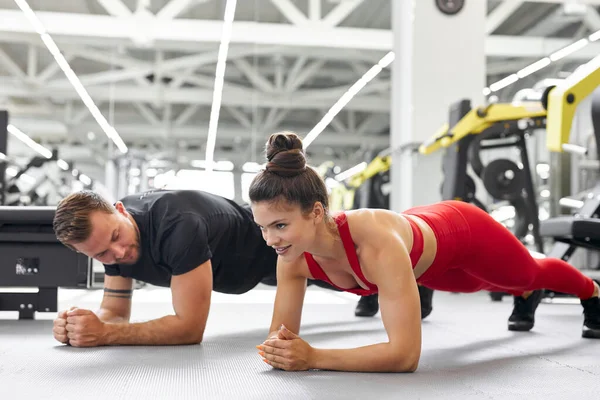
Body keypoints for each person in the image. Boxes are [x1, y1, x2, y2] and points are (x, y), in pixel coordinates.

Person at [249, 131, 600, 373]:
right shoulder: (292, 258)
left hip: (462, 230)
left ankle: (591, 292)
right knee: (477, 285)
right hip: (426, 263)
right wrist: (282, 350)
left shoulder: (375, 243)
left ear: (314, 212)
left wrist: (312, 357)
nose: (271, 240)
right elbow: (278, 339)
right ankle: (521, 295)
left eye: (280, 225)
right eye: (263, 227)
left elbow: (405, 356)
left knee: (527, 273)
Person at [51, 189, 361, 347]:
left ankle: (385, 283)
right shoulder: (109, 239)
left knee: (345, 271)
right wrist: (78, 326)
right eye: (102, 254)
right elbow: (115, 314)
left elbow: (189, 328)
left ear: (120, 211)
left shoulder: (177, 227)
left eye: (116, 237)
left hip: (263, 247)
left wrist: (105, 334)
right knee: (333, 277)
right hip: (232, 269)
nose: (118, 253)